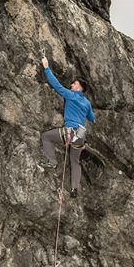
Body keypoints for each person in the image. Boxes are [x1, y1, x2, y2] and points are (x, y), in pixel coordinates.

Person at [40, 56, 95, 197]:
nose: (71, 85)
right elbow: (92, 118)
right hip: (80, 134)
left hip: (69, 131)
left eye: (74, 84)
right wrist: (84, 112)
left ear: (79, 88)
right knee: (74, 161)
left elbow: (56, 85)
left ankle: (52, 161)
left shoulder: (71, 95)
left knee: (46, 137)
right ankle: (74, 189)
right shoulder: (87, 103)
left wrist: (46, 67)